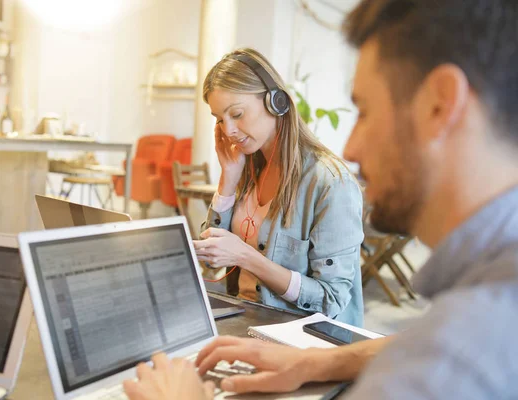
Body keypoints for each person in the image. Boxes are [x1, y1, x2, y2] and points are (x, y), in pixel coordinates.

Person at [123, 0, 518, 399]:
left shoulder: (463, 349)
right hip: (262, 329)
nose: (351, 146)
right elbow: (421, 340)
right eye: (219, 119)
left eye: (364, 111)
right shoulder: (461, 316)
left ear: (440, 104)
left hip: (295, 327)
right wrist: (314, 363)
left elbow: (333, 301)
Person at [192, 48, 365, 326]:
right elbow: (211, 263)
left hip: (301, 338)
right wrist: (228, 179)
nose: (229, 130)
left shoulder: (331, 183)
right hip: (247, 320)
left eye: (236, 114)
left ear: (277, 102)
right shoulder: (247, 167)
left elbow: (330, 300)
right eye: (220, 120)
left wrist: (247, 257)